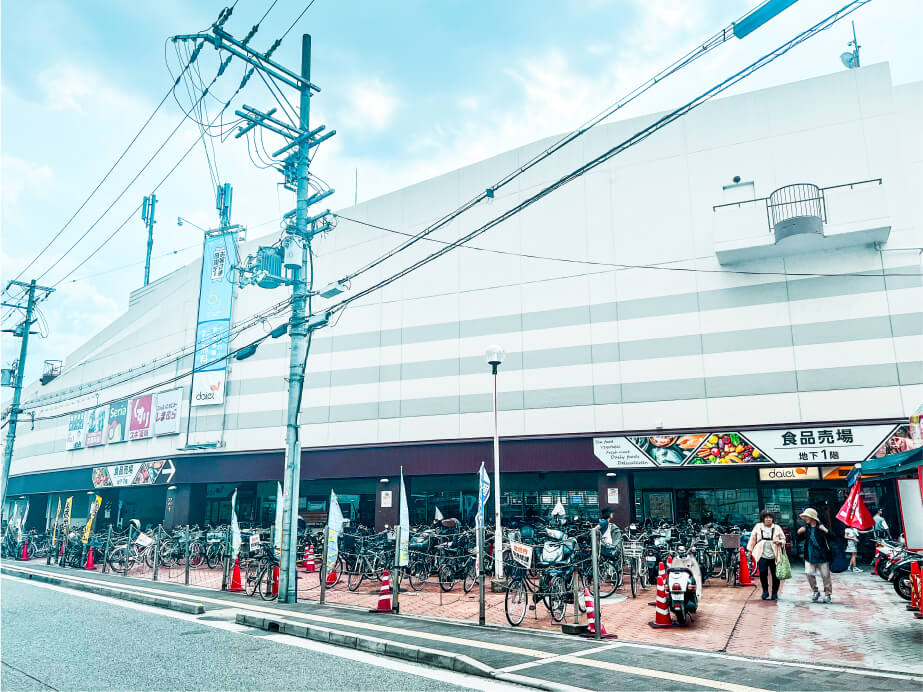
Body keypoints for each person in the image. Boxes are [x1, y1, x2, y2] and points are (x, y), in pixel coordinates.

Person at [746, 509, 786, 600]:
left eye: (770, 517)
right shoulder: (758, 526)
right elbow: (753, 539)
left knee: (776, 574)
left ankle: (775, 592)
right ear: (763, 518)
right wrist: (750, 551)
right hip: (762, 554)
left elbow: (784, 539)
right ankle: (765, 591)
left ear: (773, 519)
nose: (768, 519)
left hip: (774, 554)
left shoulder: (777, 528)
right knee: (763, 572)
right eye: (766, 517)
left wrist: (779, 541)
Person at [797, 508, 833, 603]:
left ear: (812, 517)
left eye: (806, 516)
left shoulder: (821, 527)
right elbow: (799, 539)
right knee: (808, 573)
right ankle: (815, 591)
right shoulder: (806, 528)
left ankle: (828, 594)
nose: (805, 518)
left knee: (825, 576)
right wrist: (799, 533)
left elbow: (833, 537)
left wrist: (825, 530)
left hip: (822, 556)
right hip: (809, 555)